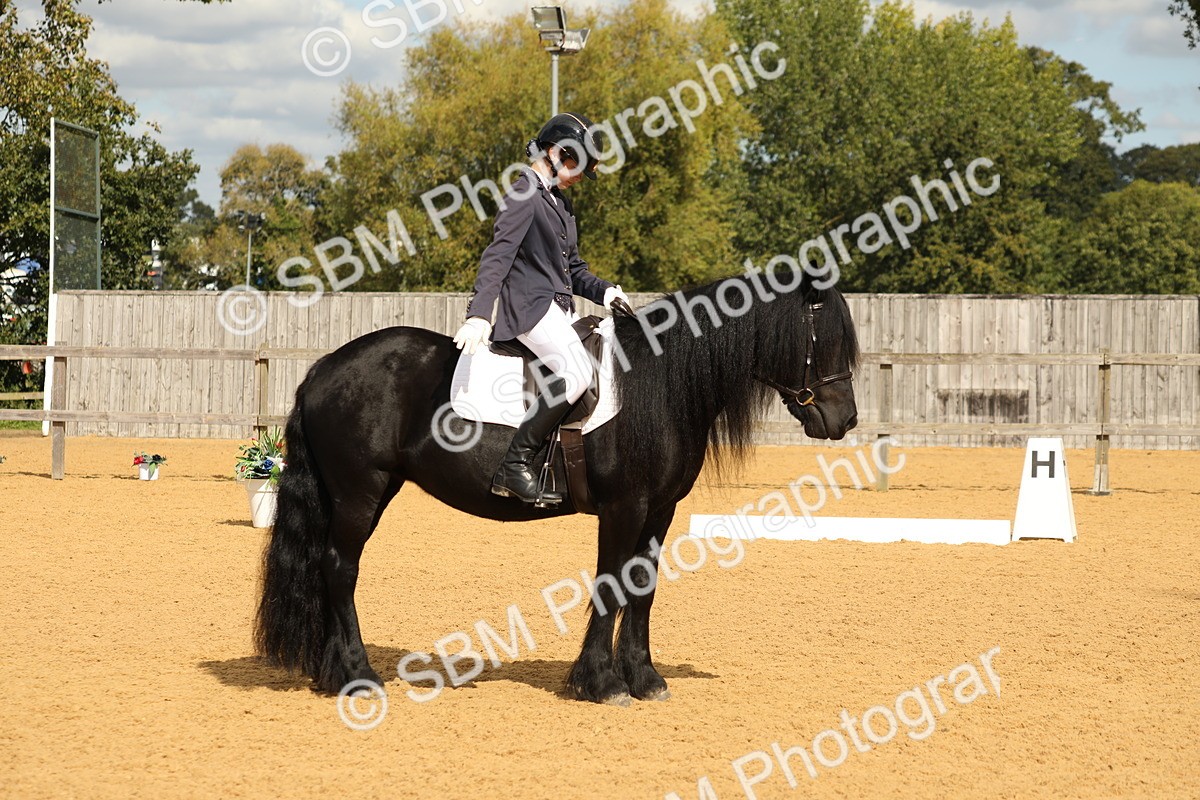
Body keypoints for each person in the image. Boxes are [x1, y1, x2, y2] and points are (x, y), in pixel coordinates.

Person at [452, 112, 630, 506]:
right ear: (555, 152)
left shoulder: (560, 203)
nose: (579, 176)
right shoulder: (523, 192)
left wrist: (605, 292)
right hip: (529, 309)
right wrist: (479, 312)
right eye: (576, 165)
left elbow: (574, 269)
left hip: (558, 310)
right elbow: (498, 255)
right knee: (577, 372)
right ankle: (514, 465)